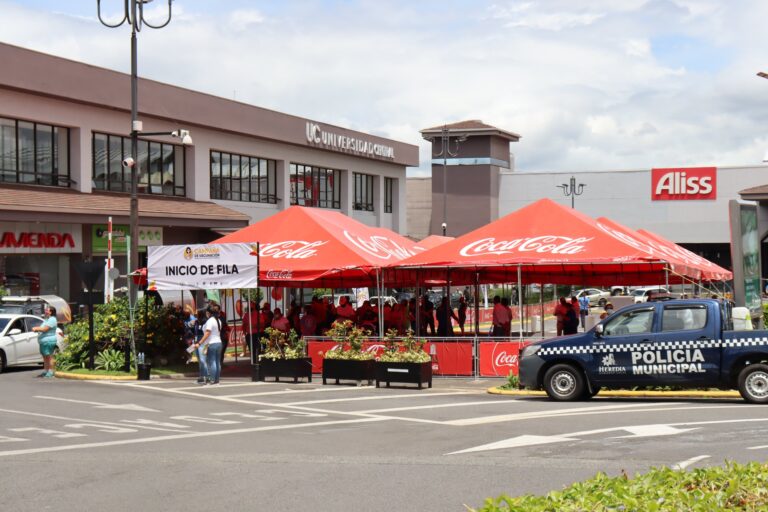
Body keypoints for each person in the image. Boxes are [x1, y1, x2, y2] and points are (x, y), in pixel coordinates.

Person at [193, 307, 222, 385]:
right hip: (218, 342)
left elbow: (207, 333)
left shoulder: (210, 321)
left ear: (209, 313)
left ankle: (212, 380)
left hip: (212, 343)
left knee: (212, 362)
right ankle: (216, 380)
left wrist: (199, 343)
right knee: (217, 362)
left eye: (207, 312)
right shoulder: (218, 320)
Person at [32, 306, 58, 378]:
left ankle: (50, 371)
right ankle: (46, 371)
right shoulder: (47, 319)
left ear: (51, 312)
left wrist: (36, 328)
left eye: (47, 310)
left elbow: (45, 329)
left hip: (49, 341)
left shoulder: (52, 319)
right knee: (45, 357)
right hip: (44, 341)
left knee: (49, 356)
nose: (45, 311)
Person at [193, 308, 208, 384]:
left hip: (202, 340)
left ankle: (206, 376)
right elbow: (194, 331)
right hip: (196, 340)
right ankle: (201, 377)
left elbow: (206, 333)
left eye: (197, 312)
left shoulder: (205, 322)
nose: (195, 314)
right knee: (199, 360)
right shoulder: (196, 321)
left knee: (203, 360)